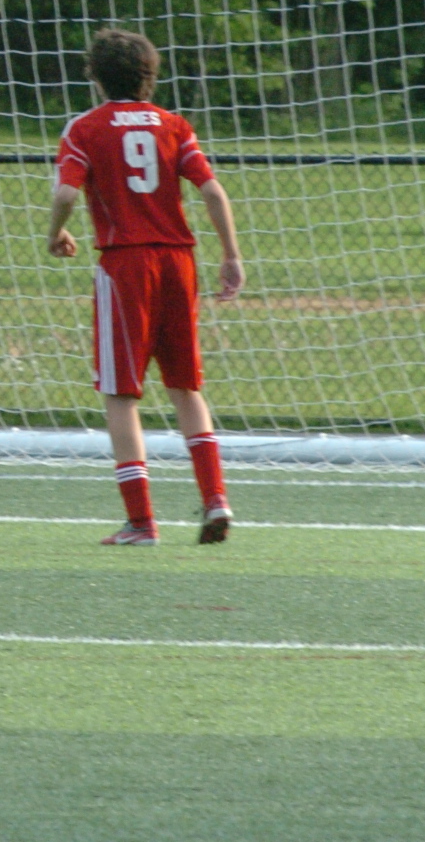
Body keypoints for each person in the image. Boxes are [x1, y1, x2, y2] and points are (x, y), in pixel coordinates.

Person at [49, 28, 246, 546]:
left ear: (95, 77)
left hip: (126, 266)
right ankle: (215, 498)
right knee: (185, 387)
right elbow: (212, 190)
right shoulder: (174, 125)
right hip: (179, 262)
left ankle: (141, 522)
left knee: (121, 393)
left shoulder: (85, 129)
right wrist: (230, 255)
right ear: (151, 76)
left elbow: (66, 194)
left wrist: (56, 233)